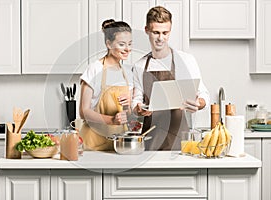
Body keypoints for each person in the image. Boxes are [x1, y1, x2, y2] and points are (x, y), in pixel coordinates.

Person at [132, 6, 210, 151]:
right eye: (156, 32)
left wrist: (198, 104)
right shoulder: (139, 66)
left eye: (165, 33)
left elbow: (204, 94)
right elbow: (136, 100)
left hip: (179, 139)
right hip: (150, 139)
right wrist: (138, 109)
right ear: (147, 30)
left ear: (170, 31)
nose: (161, 38)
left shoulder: (185, 60)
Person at [79, 19, 133, 151]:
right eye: (122, 44)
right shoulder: (95, 69)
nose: (127, 49)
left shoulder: (127, 72)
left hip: (118, 144)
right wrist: (111, 120)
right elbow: (83, 111)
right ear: (109, 44)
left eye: (130, 44)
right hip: (94, 142)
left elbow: (127, 113)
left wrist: (128, 106)